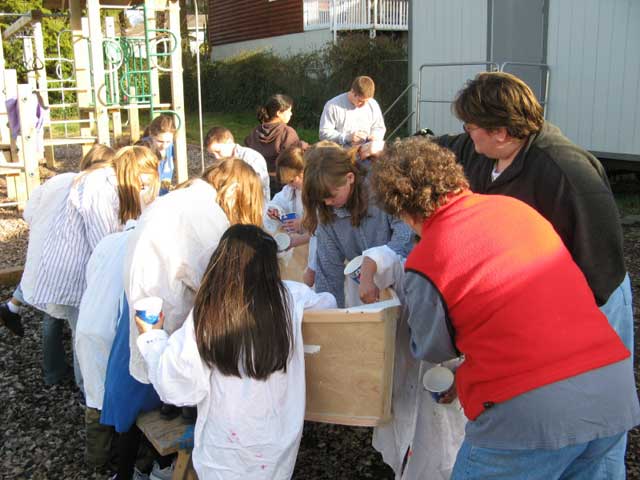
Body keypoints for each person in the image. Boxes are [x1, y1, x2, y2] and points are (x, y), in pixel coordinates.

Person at [371, 137, 640, 479]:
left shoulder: (427, 260)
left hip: (530, 414)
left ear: (403, 211)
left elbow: (433, 348)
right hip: (611, 388)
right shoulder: (516, 208)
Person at [435, 71, 634, 473]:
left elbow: (599, 269)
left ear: (501, 132)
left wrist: (533, 330)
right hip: (533, 299)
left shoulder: (567, 172)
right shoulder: (483, 151)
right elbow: (448, 147)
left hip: (590, 302)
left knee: (586, 420)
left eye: (471, 126)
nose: (465, 133)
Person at [135, 224, 337, 479]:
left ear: (220, 263)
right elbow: (330, 304)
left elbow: (177, 385)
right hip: (276, 449)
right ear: (270, 265)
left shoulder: (208, 314)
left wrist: (152, 336)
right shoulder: (291, 297)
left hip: (223, 453)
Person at [125, 157, 264, 384]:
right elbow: (223, 281)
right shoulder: (206, 213)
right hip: (171, 313)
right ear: (234, 192)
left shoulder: (177, 198)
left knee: (159, 369)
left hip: (147, 303)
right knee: (177, 377)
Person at [29, 145, 159, 389]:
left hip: (78, 266)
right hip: (75, 270)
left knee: (83, 329)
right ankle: (89, 392)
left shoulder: (104, 182)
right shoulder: (100, 187)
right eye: (142, 184)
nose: (143, 189)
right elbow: (103, 240)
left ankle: (85, 385)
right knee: (85, 332)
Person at [0, 145, 115, 340]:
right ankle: (61, 360)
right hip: (69, 262)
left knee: (53, 308)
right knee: (68, 319)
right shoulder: (95, 187)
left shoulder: (59, 180)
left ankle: (14, 310)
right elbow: (100, 234)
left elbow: (29, 213)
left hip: (46, 252)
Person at [302, 141, 413, 307]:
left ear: (350, 178)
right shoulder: (327, 212)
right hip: (366, 289)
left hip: (407, 281)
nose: (327, 202)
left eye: (331, 196)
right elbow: (329, 274)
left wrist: (374, 265)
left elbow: (405, 237)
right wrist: (330, 315)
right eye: (322, 199)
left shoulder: (382, 188)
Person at [244, 94, 305, 194]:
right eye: (289, 111)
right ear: (279, 113)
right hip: (280, 185)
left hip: (254, 183)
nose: (291, 114)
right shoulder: (287, 132)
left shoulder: (255, 132)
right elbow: (294, 159)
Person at [205, 126, 270, 203]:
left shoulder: (251, 157)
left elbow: (256, 187)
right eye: (212, 154)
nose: (216, 157)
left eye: (218, 151)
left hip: (254, 205)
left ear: (229, 142)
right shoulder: (220, 161)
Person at [319, 76, 386, 148]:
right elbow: (323, 134)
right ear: (352, 92)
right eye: (360, 101)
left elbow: (379, 128)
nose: (364, 105)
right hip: (341, 152)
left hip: (367, 151)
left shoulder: (373, 104)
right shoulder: (332, 106)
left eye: (367, 101)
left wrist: (374, 137)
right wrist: (346, 137)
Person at [142, 114, 176, 195]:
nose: (164, 146)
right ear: (151, 135)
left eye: (168, 141)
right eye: (160, 141)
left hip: (163, 194)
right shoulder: (143, 148)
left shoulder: (170, 147)